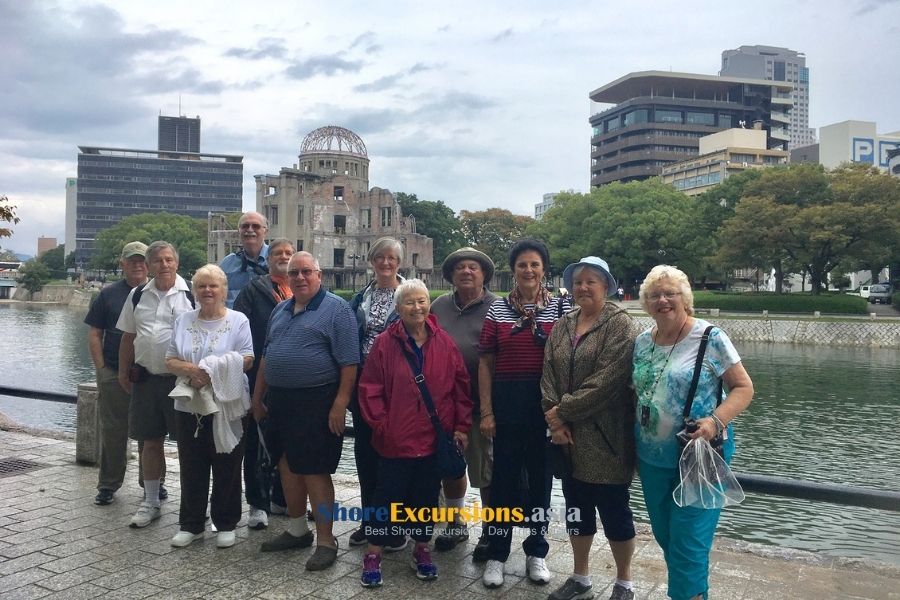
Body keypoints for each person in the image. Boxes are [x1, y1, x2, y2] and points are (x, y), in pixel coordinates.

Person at [633, 265, 753, 600]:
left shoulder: (710, 337)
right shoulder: (642, 342)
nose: (663, 300)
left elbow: (743, 388)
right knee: (668, 537)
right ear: (646, 303)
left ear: (685, 298)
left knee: (688, 546)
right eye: (655, 295)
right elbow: (637, 395)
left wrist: (715, 421)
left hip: (700, 457)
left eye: (670, 293)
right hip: (652, 458)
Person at [357, 279, 472, 587]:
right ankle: (373, 552)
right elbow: (369, 387)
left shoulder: (443, 342)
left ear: (428, 304)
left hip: (433, 438)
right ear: (398, 308)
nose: (417, 307)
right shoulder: (384, 343)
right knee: (386, 497)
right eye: (409, 302)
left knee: (425, 498)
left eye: (421, 301)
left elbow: (460, 387)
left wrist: (461, 426)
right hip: (396, 439)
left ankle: (422, 548)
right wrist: (382, 424)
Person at [250, 251, 359, 571]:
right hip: (280, 401)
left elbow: (349, 362)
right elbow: (267, 356)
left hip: (317, 400)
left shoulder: (337, 310)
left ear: (319, 275)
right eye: (294, 272)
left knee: (315, 470)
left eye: (306, 272)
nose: (300, 277)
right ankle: (298, 530)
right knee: (286, 465)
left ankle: (326, 540)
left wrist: (340, 404)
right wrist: (257, 398)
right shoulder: (281, 309)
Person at [542, 257, 638, 600]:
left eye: (591, 281)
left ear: (606, 286)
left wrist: (561, 412)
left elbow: (607, 381)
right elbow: (548, 372)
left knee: (615, 513)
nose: (582, 287)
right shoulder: (564, 323)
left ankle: (624, 582)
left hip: (607, 438)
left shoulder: (621, 325)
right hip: (567, 438)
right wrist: (555, 420)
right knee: (576, 510)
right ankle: (580, 576)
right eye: (578, 281)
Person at [478, 238, 566, 589]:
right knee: (503, 479)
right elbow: (486, 362)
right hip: (507, 405)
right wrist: (487, 411)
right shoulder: (497, 310)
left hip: (545, 407)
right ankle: (498, 553)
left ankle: (536, 551)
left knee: (542, 480)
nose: (528, 270)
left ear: (544, 269)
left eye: (534, 264)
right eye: (521, 265)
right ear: (512, 270)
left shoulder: (561, 308)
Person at [165, 264, 254, 549]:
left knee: (228, 462)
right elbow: (170, 359)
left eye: (213, 286)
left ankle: (225, 522)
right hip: (190, 403)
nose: (207, 290)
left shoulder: (238, 320)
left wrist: (214, 369)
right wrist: (193, 370)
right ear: (194, 291)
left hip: (228, 403)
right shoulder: (183, 320)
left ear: (224, 291)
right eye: (201, 286)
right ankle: (191, 524)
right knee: (192, 464)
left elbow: (248, 358)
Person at [117, 241, 195, 528]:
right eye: (158, 260)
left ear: (177, 263)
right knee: (149, 442)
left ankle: (193, 502)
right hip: (147, 380)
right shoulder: (138, 294)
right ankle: (151, 501)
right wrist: (123, 372)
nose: (164, 265)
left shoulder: (192, 295)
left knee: (189, 445)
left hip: (182, 381)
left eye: (169, 259)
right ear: (148, 266)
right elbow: (128, 336)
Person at [430, 247, 498, 557]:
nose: (466, 272)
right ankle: (455, 524)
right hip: (445, 405)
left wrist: (491, 408)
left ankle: (490, 531)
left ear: (484, 274)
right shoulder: (439, 306)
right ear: (451, 275)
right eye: (460, 267)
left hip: (482, 404)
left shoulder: (497, 307)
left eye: (473, 267)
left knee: (485, 471)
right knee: (451, 467)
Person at [85, 241, 159, 506]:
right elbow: (95, 333)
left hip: (150, 374)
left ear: (148, 264)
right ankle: (108, 484)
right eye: (132, 260)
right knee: (113, 431)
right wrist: (101, 368)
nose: (138, 265)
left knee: (150, 432)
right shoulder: (108, 294)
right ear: (122, 264)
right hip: (114, 370)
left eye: (142, 260)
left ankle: (152, 483)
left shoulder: (159, 292)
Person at [347, 237, 406, 550]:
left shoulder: (410, 295)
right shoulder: (360, 298)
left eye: (391, 258)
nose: (385, 263)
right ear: (372, 261)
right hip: (363, 385)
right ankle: (370, 520)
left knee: (394, 456)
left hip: (397, 387)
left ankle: (394, 524)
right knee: (365, 453)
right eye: (380, 257)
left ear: (399, 262)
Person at [233, 239, 295, 530]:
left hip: (293, 380)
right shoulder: (253, 290)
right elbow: (239, 330)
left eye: (289, 253)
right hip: (258, 373)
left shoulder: (305, 290)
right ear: (269, 259)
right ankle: (258, 503)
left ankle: (285, 498)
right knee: (256, 443)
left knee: (290, 441)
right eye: (278, 253)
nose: (283, 257)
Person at [220, 211, 269, 308]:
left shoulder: (279, 259)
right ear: (239, 231)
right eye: (245, 226)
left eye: (256, 226)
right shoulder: (227, 264)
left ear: (265, 232)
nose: (250, 230)